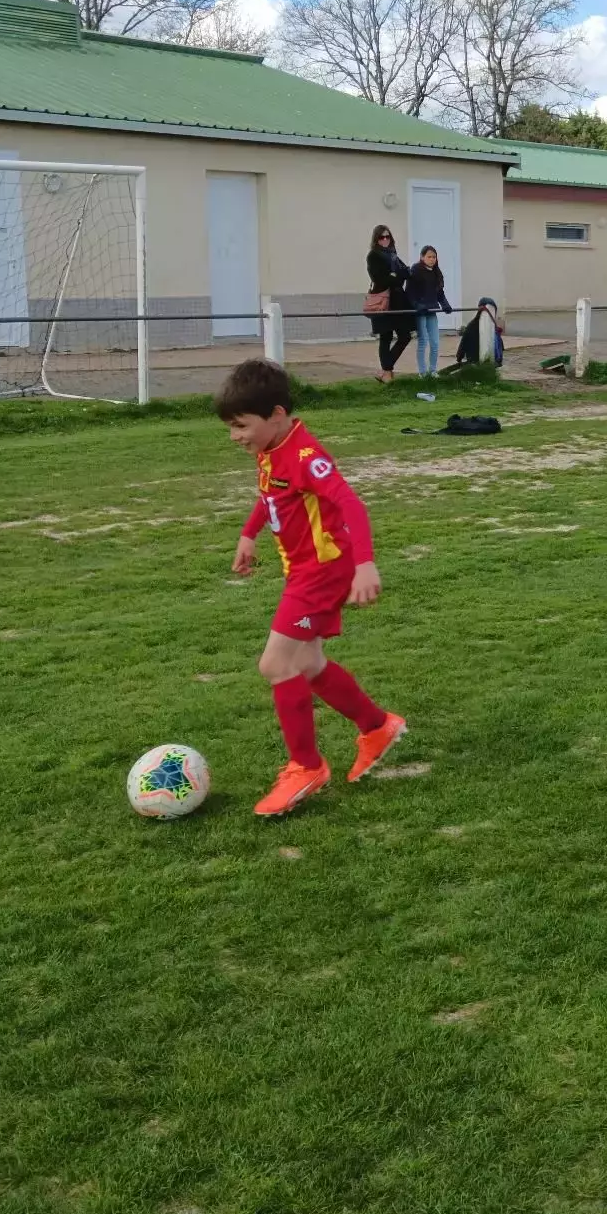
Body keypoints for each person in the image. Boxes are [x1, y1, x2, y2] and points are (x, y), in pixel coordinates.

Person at [219, 359, 408, 818]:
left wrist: (365, 565)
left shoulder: (306, 457)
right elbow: (271, 496)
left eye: (242, 425)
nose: (235, 436)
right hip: (303, 571)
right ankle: (377, 726)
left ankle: (305, 766)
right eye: (230, 427)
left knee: (276, 663)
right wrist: (249, 533)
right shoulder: (271, 450)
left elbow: (352, 505)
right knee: (306, 662)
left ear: (277, 414)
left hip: (321, 574)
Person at [365, 225, 412, 383]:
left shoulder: (393, 254)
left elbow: (406, 271)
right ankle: (387, 373)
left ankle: (386, 370)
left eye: (387, 237)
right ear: (376, 239)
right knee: (386, 337)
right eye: (381, 237)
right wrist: (396, 276)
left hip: (398, 301)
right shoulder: (373, 256)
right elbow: (379, 279)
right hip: (384, 301)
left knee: (405, 335)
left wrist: (395, 275)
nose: (385, 240)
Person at [404, 245, 453, 379]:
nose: (432, 259)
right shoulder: (416, 270)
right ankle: (423, 372)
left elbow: (440, 293)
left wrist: (445, 305)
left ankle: (432, 371)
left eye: (434, 257)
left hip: (431, 310)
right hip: (420, 312)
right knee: (423, 341)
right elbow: (409, 292)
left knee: (435, 342)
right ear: (422, 257)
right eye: (429, 257)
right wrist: (417, 305)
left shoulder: (436, 272)